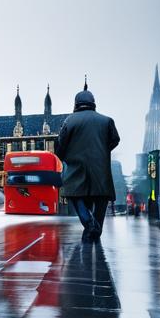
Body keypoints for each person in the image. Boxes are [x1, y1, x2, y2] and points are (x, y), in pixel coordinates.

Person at [55, 88, 120, 242]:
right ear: (93, 103)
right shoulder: (107, 121)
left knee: (74, 193)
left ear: (76, 104)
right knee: (101, 198)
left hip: (76, 167)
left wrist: (66, 158)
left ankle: (90, 224)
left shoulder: (69, 121)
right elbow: (115, 140)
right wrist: (102, 151)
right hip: (100, 169)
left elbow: (60, 146)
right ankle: (95, 232)